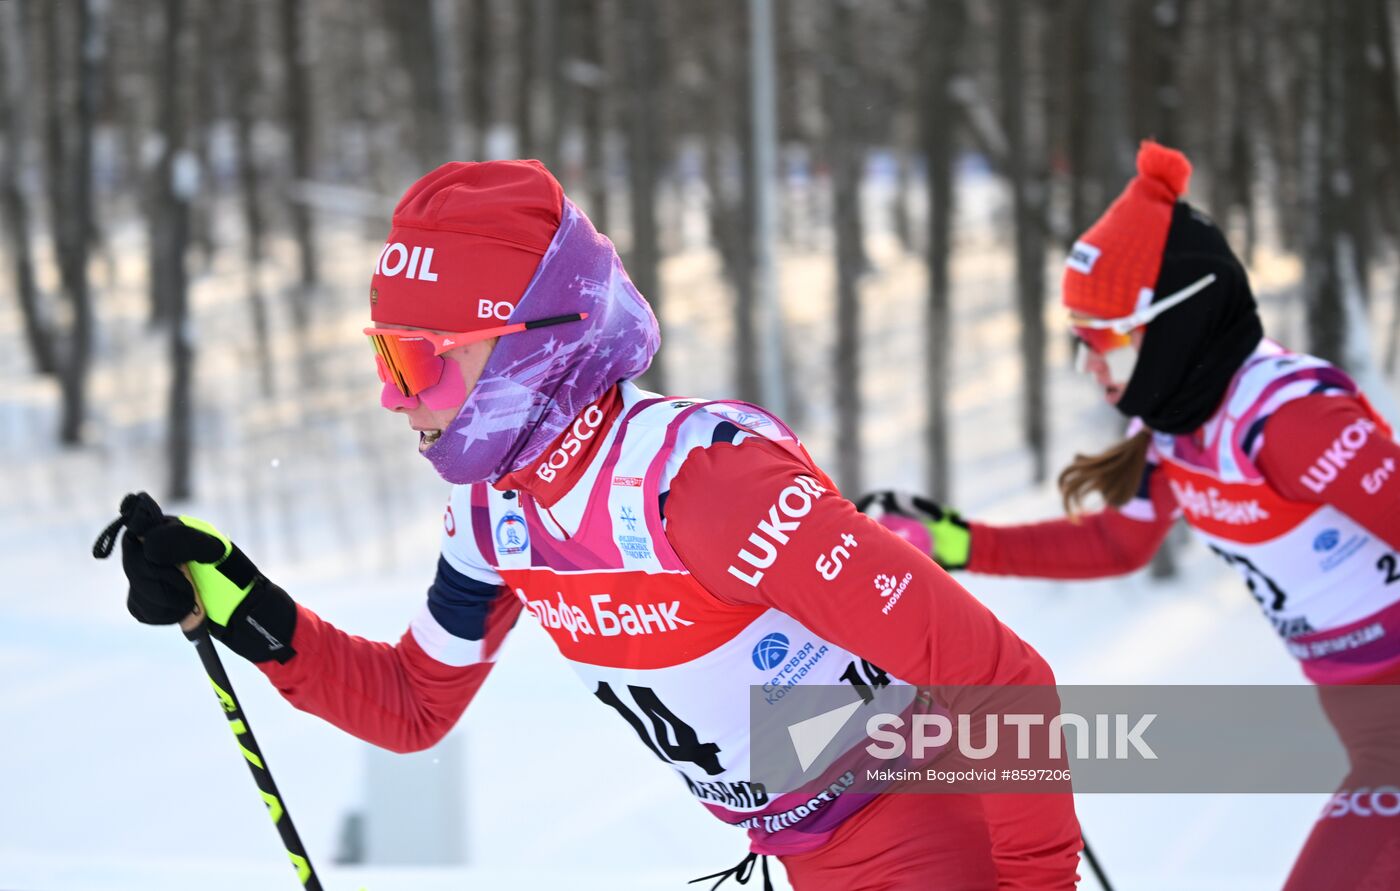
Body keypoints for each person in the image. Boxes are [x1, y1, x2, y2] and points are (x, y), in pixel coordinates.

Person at [110, 160, 1081, 890]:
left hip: (923, 828)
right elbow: (410, 706)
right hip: (801, 849)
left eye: (419, 361)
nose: (392, 397)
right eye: (383, 358)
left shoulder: (703, 487)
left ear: (536, 344)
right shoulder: (496, 513)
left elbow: (1002, 679)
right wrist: (243, 605)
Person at [860, 140, 1400, 890]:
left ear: (1176, 324)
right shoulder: (1177, 427)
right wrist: (954, 541)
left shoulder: (1288, 422)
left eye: (1101, 340)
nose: (1089, 367)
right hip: (1367, 721)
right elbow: (1117, 542)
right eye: (1076, 342)